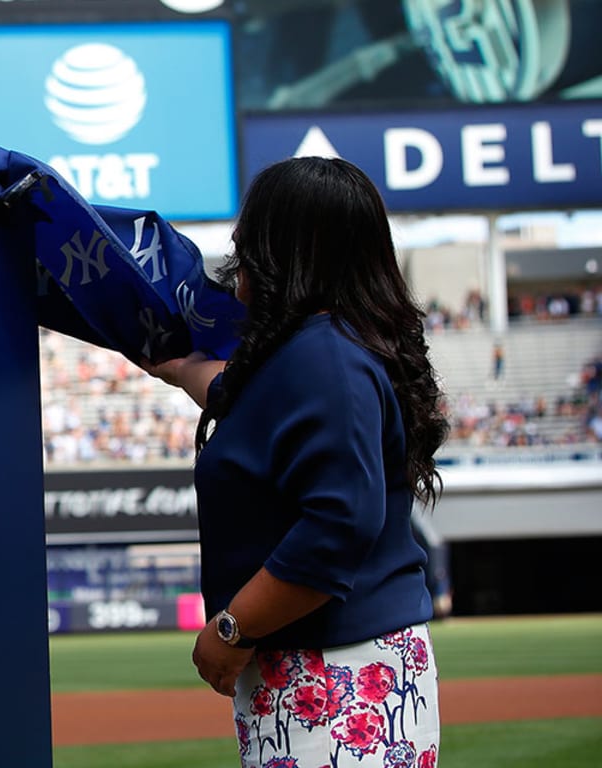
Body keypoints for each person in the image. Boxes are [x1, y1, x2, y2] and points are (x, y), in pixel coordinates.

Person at [144, 156, 449, 768]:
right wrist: (178, 369)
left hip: (338, 678)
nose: (237, 259)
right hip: (325, 673)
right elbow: (232, 389)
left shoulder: (325, 357)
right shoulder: (320, 347)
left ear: (287, 252)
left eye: (250, 242)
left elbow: (337, 526)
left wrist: (232, 629)